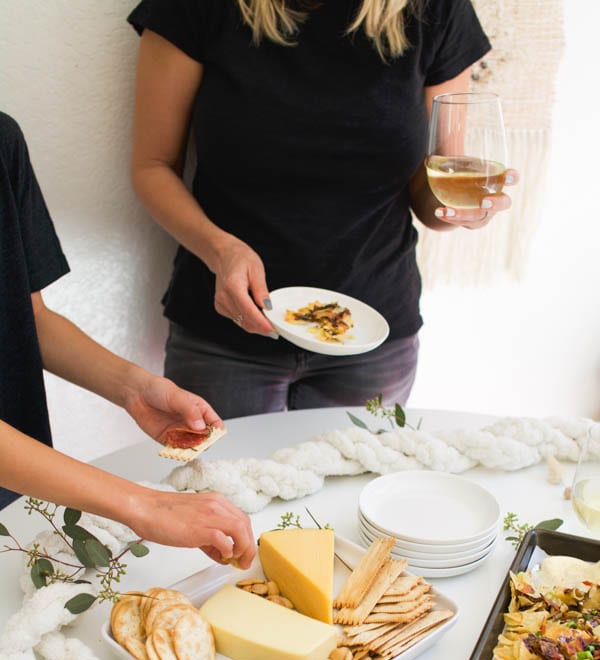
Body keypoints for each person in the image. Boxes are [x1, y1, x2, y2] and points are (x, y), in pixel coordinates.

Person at [126, 0, 517, 420]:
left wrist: (459, 207)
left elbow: (433, 184)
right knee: (218, 485)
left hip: (372, 340)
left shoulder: (435, 9)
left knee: (358, 485)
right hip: (225, 334)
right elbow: (153, 167)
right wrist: (220, 249)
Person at [0, 111, 255, 569]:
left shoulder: (1, 141)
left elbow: (26, 316)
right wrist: (145, 505)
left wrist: (135, 389)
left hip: (16, 494)